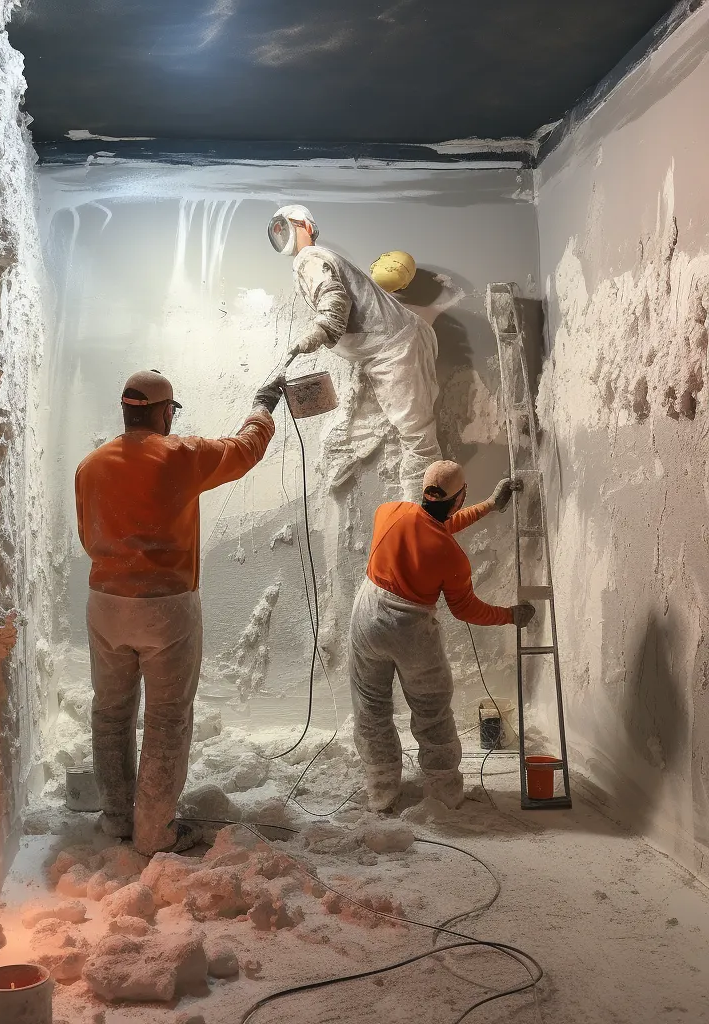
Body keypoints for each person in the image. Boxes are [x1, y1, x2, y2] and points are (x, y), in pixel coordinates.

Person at [75, 369, 285, 855]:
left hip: (105, 605)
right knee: (167, 719)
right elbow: (244, 450)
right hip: (166, 609)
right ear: (163, 412)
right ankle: (154, 833)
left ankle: (117, 820)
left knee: (109, 713)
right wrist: (263, 406)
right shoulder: (178, 456)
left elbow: (88, 536)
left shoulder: (90, 465)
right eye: (173, 411)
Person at [348, 460, 536, 811]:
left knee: (371, 706)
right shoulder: (452, 557)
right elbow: (465, 609)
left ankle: (382, 791)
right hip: (410, 630)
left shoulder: (387, 511)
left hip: (367, 616)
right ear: (459, 499)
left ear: (425, 491)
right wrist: (510, 615)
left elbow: (429, 525)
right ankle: (445, 791)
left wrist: (488, 507)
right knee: (431, 711)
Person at [268, 204, 441, 500]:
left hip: (394, 348)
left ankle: (422, 521)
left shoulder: (310, 257)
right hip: (394, 345)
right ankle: (419, 519)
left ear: (307, 227)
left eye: (287, 225)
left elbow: (334, 298)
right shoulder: (315, 261)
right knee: (408, 435)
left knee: (418, 439)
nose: (282, 233)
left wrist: (320, 330)